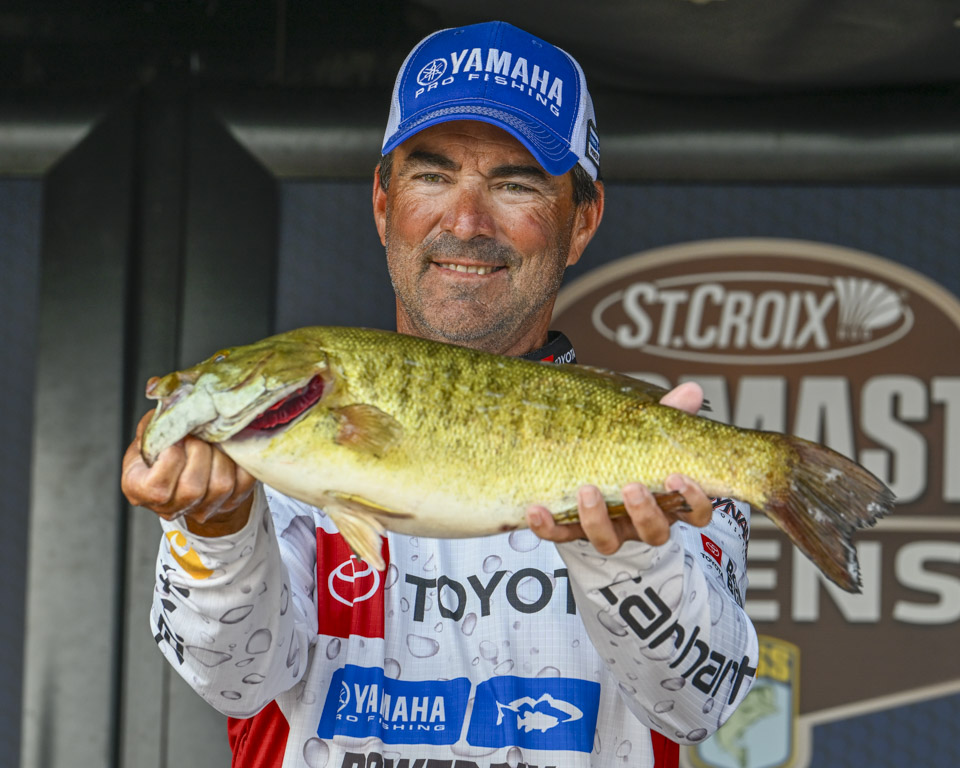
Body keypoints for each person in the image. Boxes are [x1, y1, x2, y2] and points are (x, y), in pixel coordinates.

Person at [122, 20, 758, 768]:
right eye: (432, 176)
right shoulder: (278, 446)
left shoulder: (658, 449)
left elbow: (698, 707)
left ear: (581, 222)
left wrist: (628, 561)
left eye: (515, 184)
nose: (466, 222)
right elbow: (235, 680)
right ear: (383, 202)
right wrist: (219, 529)